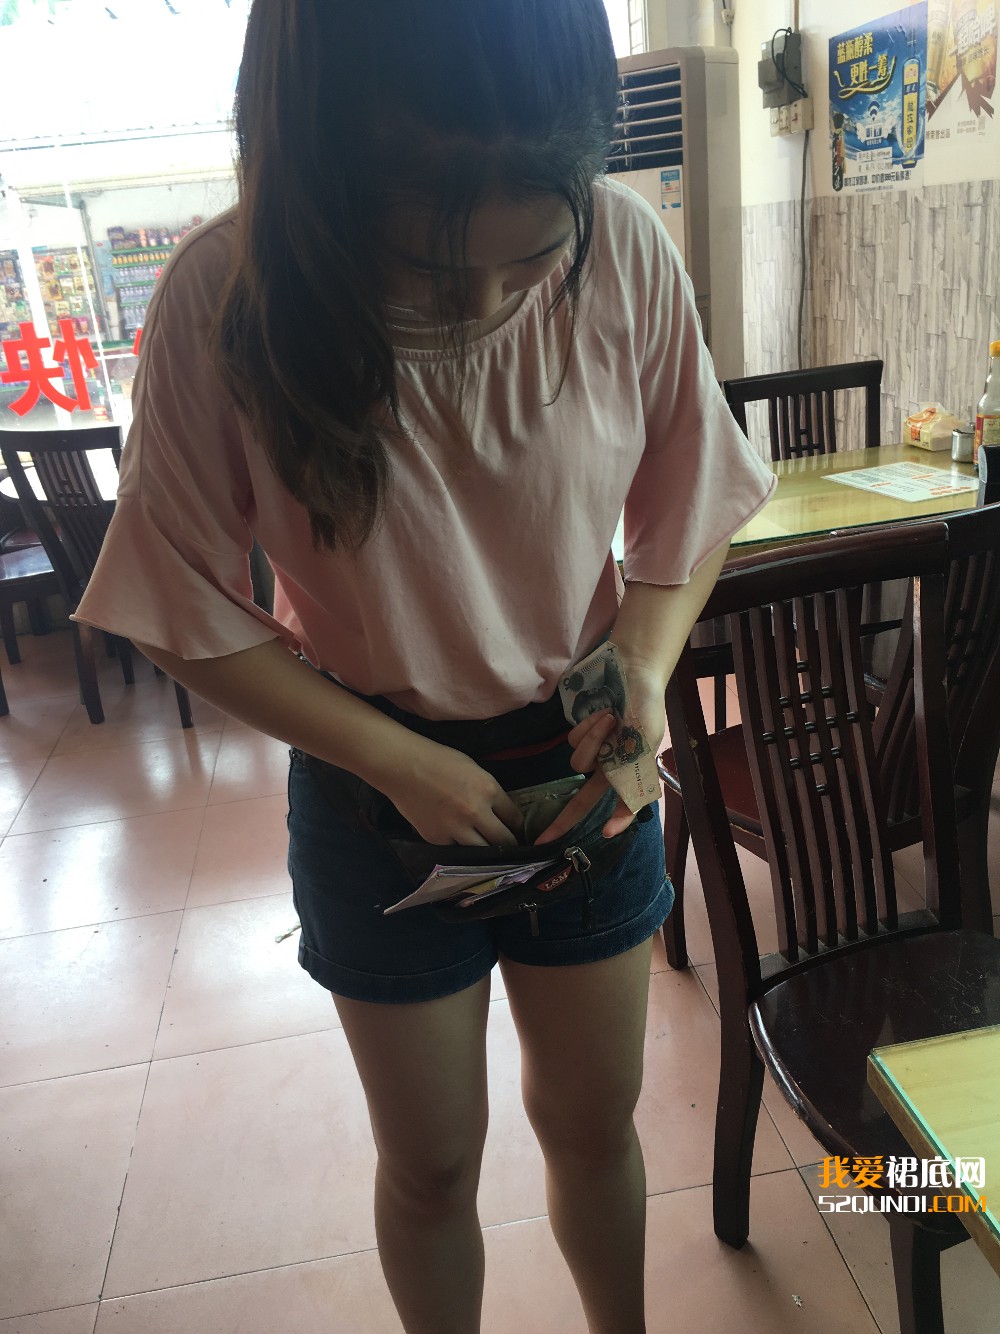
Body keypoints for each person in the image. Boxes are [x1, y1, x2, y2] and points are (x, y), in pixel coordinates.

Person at [75, 3, 775, 1330]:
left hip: (584, 768)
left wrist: (640, 659)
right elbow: (182, 610)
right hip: (371, 788)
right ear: (321, 184)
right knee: (433, 1160)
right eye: (429, 270)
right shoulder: (229, 298)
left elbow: (692, 511)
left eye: (533, 258)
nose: (485, 306)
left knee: (595, 1123)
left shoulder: (624, 249)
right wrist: (397, 760)